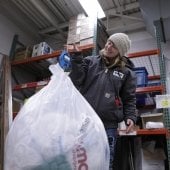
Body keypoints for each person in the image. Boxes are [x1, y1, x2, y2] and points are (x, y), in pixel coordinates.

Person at [69, 33, 137, 169]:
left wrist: (130, 116)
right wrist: (76, 58)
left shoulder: (126, 72)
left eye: (115, 46)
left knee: (105, 161)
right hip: (84, 122)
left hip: (108, 125)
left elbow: (129, 98)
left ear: (120, 52)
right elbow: (76, 80)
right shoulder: (91, 61)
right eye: (109, 42)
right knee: (80, 160)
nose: (109, 46)